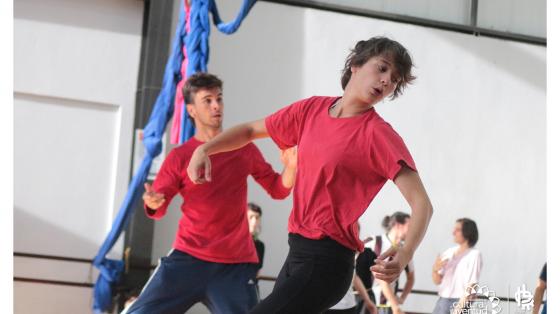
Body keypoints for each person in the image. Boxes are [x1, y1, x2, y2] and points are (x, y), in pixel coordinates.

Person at [187, 36, 433, 314]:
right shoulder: (311, 110)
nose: (388, 81)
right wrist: (204, 149)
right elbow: (248, 132)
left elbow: (422, 203)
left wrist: (405, 253)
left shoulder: (378, 135)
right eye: (383, 68)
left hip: (327, 262)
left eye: (396, 80)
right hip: (297, 253)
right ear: (355, 64)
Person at [124, 72, 297, 314]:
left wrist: (291, 167)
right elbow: (158, 206)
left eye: (219, 98)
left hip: (234, 266)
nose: (217, 105)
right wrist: (153, 201)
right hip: (187, 259)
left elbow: (278, 190)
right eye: (208, 100)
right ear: (191, 109)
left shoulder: (244, 149)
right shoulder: (179, 157)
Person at [431, 218, 482, 314]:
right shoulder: (448, 252)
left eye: (457, 230)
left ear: (467, 232)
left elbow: (472, 284)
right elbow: (437, 281)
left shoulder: (474, 255)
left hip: (460, 301)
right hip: (442, 300)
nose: (453, 232)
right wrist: (434, 269)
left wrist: (458, 309)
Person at [369, 212, 415, 314]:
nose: (413, 230)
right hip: (368, 302)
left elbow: (411, 278)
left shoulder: (405, 251)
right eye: (409, 226)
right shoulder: (373, 241)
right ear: (398, 225)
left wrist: (402, 299)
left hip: (388, 306)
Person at [247, 202, 265, 299]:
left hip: (251, 290)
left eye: (257, 217)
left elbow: (257, 272)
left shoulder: (260, 246)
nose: (254, 221)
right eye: (251, 217)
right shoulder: (234, 243)